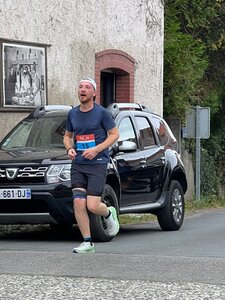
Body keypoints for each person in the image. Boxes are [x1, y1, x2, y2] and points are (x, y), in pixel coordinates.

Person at [63, 77, 120, 253]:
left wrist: (97, 149)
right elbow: (67, 136)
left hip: (97, 163)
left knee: (92, 206)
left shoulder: (102, 113)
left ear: (94, 93)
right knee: (79, 204)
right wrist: (69, 149)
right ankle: (87, 242)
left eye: (87, 87)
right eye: (80, 87)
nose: (83, 90)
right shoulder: (73, 113)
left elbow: (114, 134)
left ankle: (109, 213)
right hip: (79, 164)